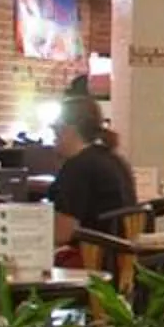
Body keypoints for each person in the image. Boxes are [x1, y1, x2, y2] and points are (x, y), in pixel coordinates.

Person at [45, 95, 136, 245]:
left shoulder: (78, 168)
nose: (53, 137)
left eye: (55, 129)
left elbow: (62, 234)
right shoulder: (114, 159)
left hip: (92, 256)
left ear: (69, 129)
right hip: (119, 255)